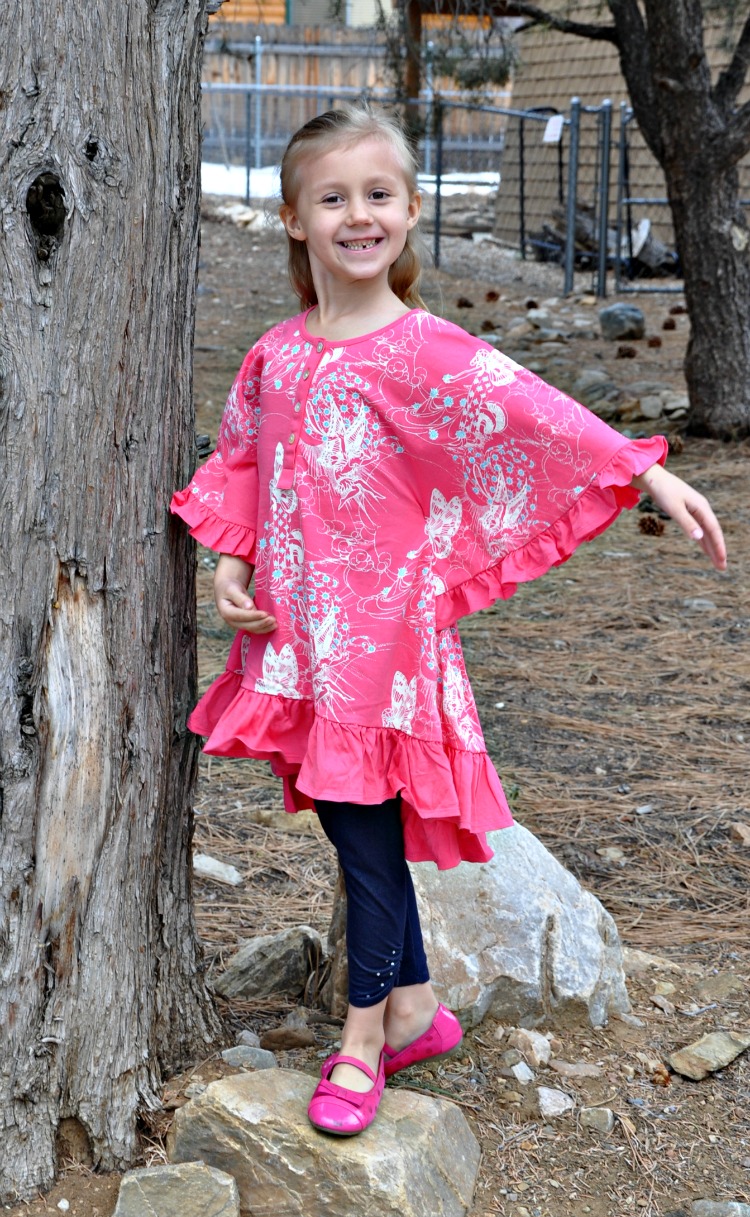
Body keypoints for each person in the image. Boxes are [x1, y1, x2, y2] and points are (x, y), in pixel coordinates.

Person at [171, 104, 726, 1137]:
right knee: (354, 833)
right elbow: (246, 462)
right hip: (301, 643)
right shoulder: (275, 356)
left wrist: (648, 477)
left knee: (372, 848)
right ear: (294, 218)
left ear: (413, 212)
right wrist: (231, 563)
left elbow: (533, 412)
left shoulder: (423, 349)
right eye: (333, 197)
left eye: (379, 194)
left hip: (386, 651)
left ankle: (364, 1038)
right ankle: (417, 1006)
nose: (358, 213)